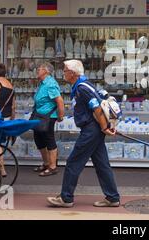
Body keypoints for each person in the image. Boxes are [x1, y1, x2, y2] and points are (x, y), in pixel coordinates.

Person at [46, 60, 120, 208]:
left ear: (73, 73)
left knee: (73, 162)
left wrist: (104, 127)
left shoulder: (82, 88)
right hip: (95, 129)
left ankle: (66, 198)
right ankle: (112, 197)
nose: (63, 73)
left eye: (65, 70)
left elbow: (97, 108)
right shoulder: (84, 85)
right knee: (102, 163)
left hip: (91, 130)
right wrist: (104, 127)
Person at [33, 62, 65, 177]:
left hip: (48, 117)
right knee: (38, 138)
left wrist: (61, 115)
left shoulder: (50, 83)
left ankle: (53, 167)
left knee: (49, 139)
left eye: (39, 68)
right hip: (39, 115)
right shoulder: (42, 83)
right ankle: (46, 163)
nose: (37, 70)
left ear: (46, 71)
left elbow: (60, 101)